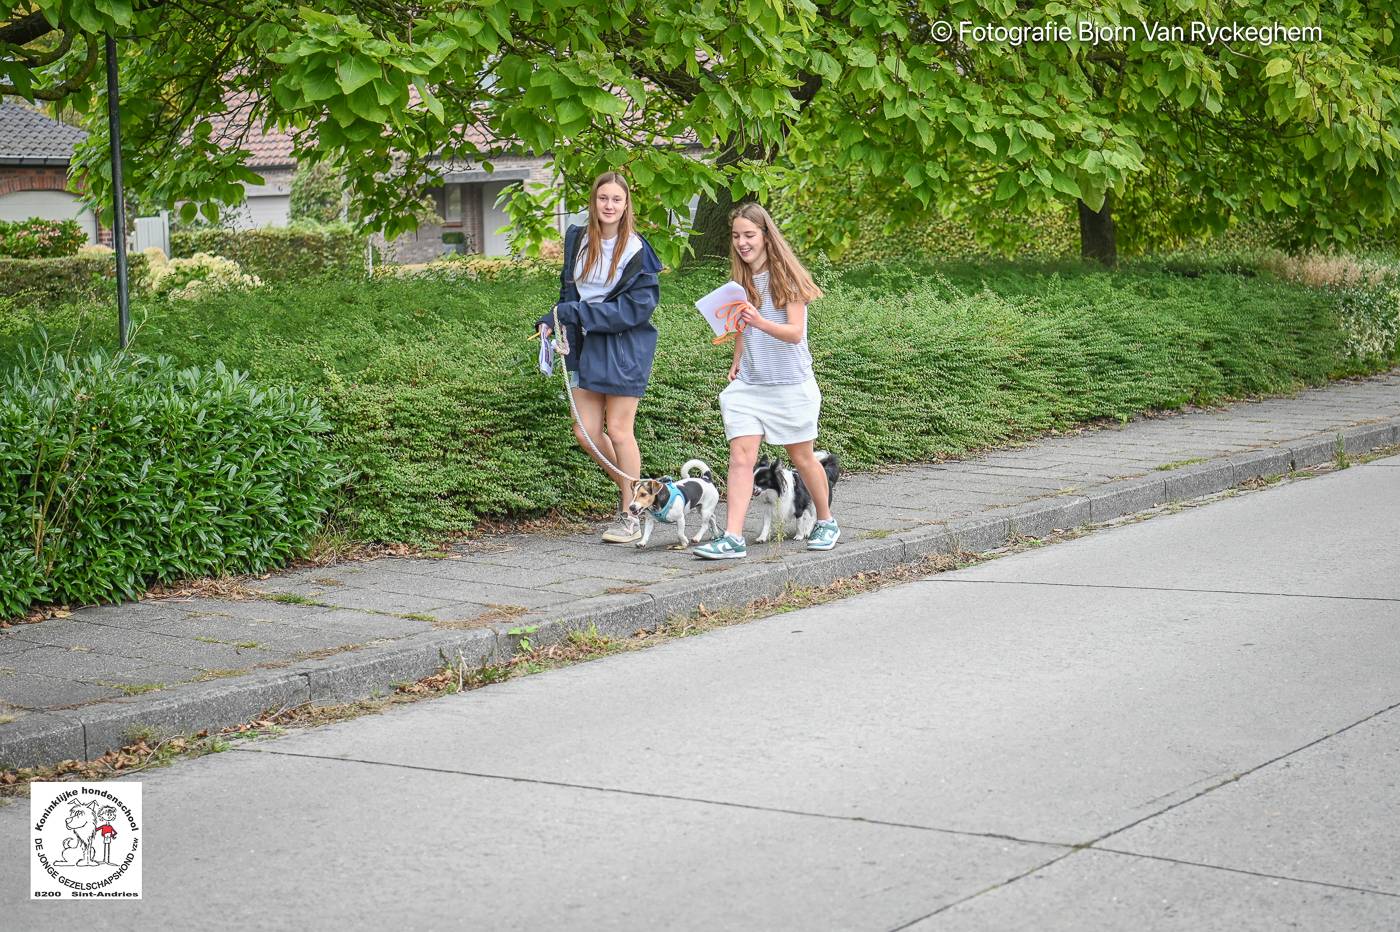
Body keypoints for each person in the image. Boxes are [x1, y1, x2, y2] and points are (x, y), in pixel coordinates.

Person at [692, 202, 839, 559]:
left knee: (803, 457)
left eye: (749, 235)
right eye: (736, 236)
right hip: (751, 385)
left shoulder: (784, 277)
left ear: (766, 236)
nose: (742, 243)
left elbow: (793, 333)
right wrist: (738, 358)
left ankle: (826, 521)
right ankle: (733, 537)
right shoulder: (739, 282)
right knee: (741, 457)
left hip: (790, 384)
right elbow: (741, 326)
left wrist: (757, 321)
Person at [538, 171, 663, 544]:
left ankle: (631, 514)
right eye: (603, 198)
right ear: (594, 202)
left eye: (617, 200)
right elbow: (569, 292)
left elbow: (637, 309)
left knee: (619, 430)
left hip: (624, 345)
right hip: (583, 344)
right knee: (586, 432)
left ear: (626, 206)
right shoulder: (577, 238)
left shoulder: (637, 250)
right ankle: (637, 497)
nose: (609, 205)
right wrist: (554, 317)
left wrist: (581, 314)